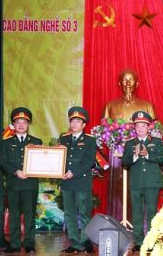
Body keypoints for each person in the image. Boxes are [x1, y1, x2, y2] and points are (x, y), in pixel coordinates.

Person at [0, 107, 42, 253]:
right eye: (18, 122)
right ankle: (15, 243)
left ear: (28, 124)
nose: (21, 125)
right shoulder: (6, 142)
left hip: (30, 184)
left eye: (24, 122)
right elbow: (1, 162)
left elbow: (43, 161)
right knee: (14, 215)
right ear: (14, 125)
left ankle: (29, 243)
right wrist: (16, 171)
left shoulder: (36, 141)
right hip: (14, 184)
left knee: (30, 214)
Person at [122, 111, 163, 251]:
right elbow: (124, 163)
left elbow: (161, 159)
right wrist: (134, 157)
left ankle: (151, 241)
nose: (140, 129)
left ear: (148, 127)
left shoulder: (156, 141)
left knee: (152, 211)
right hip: (136, 183)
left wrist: (148, 154)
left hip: (152, 182)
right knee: (137, 213)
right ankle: (139, 242)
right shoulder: (129, 143)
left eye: (143, 126)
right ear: (134, 128)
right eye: (137, 126)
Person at [59, 106, 97, 253]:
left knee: (85, 212)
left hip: (81, 181)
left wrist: (72, 172)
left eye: (78, 121)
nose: (74, 124)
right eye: (72, 121)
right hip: (67, 182)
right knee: (69, 213)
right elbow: (58, 159)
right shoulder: (64, 139)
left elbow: (89, 161)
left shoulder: (89, 140)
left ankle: (86, 241)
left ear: (84, 125)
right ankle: (74, 242)